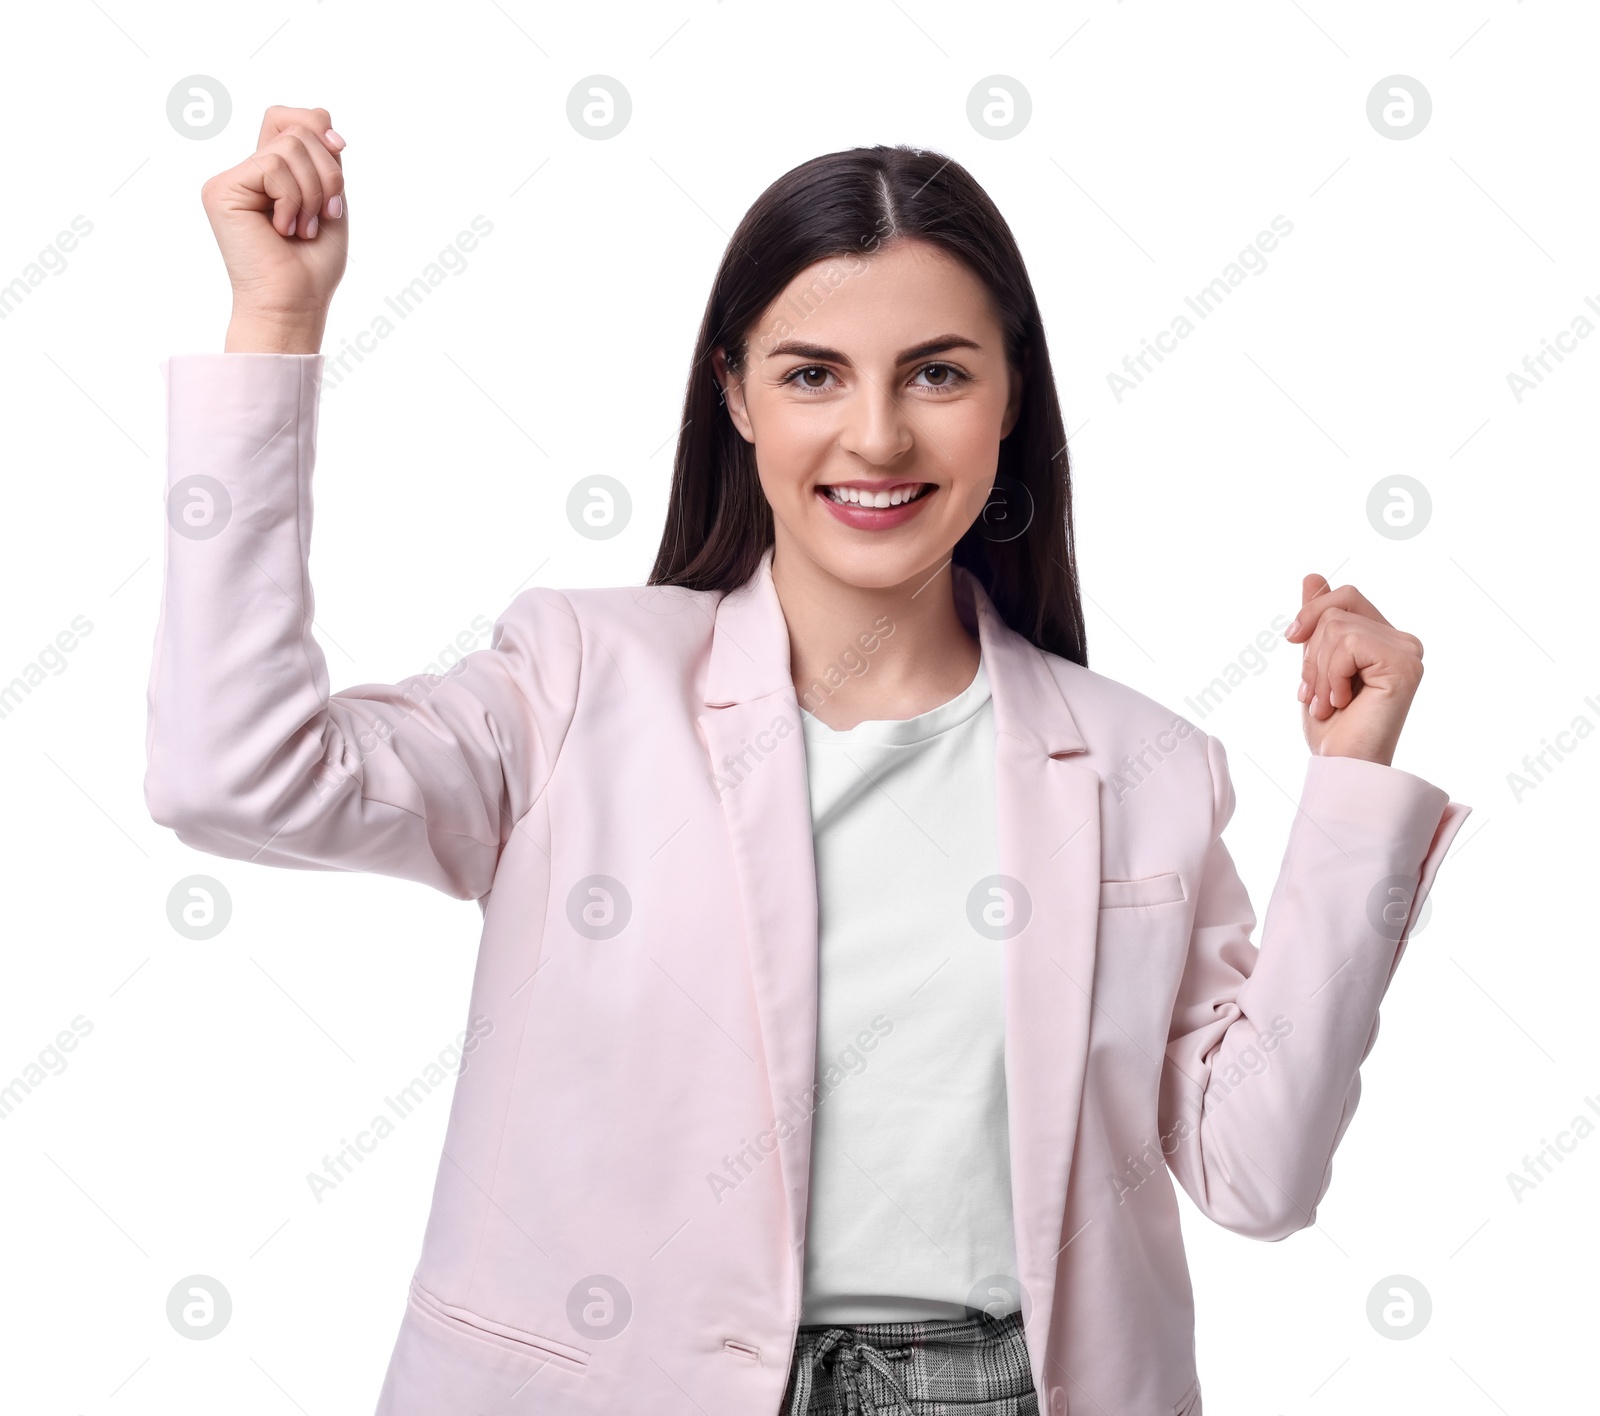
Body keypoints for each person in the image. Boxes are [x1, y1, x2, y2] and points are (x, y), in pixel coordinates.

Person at [145, 105, 1472, 1416]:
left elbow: (1260, 1174)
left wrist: (1352, 795)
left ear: (1011, 396)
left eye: (939, 373)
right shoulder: (572, 685)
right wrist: (275, 327)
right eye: (813, 373)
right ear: (735, 393)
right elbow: (235, 775)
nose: (880, 437)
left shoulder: (1143, 769)